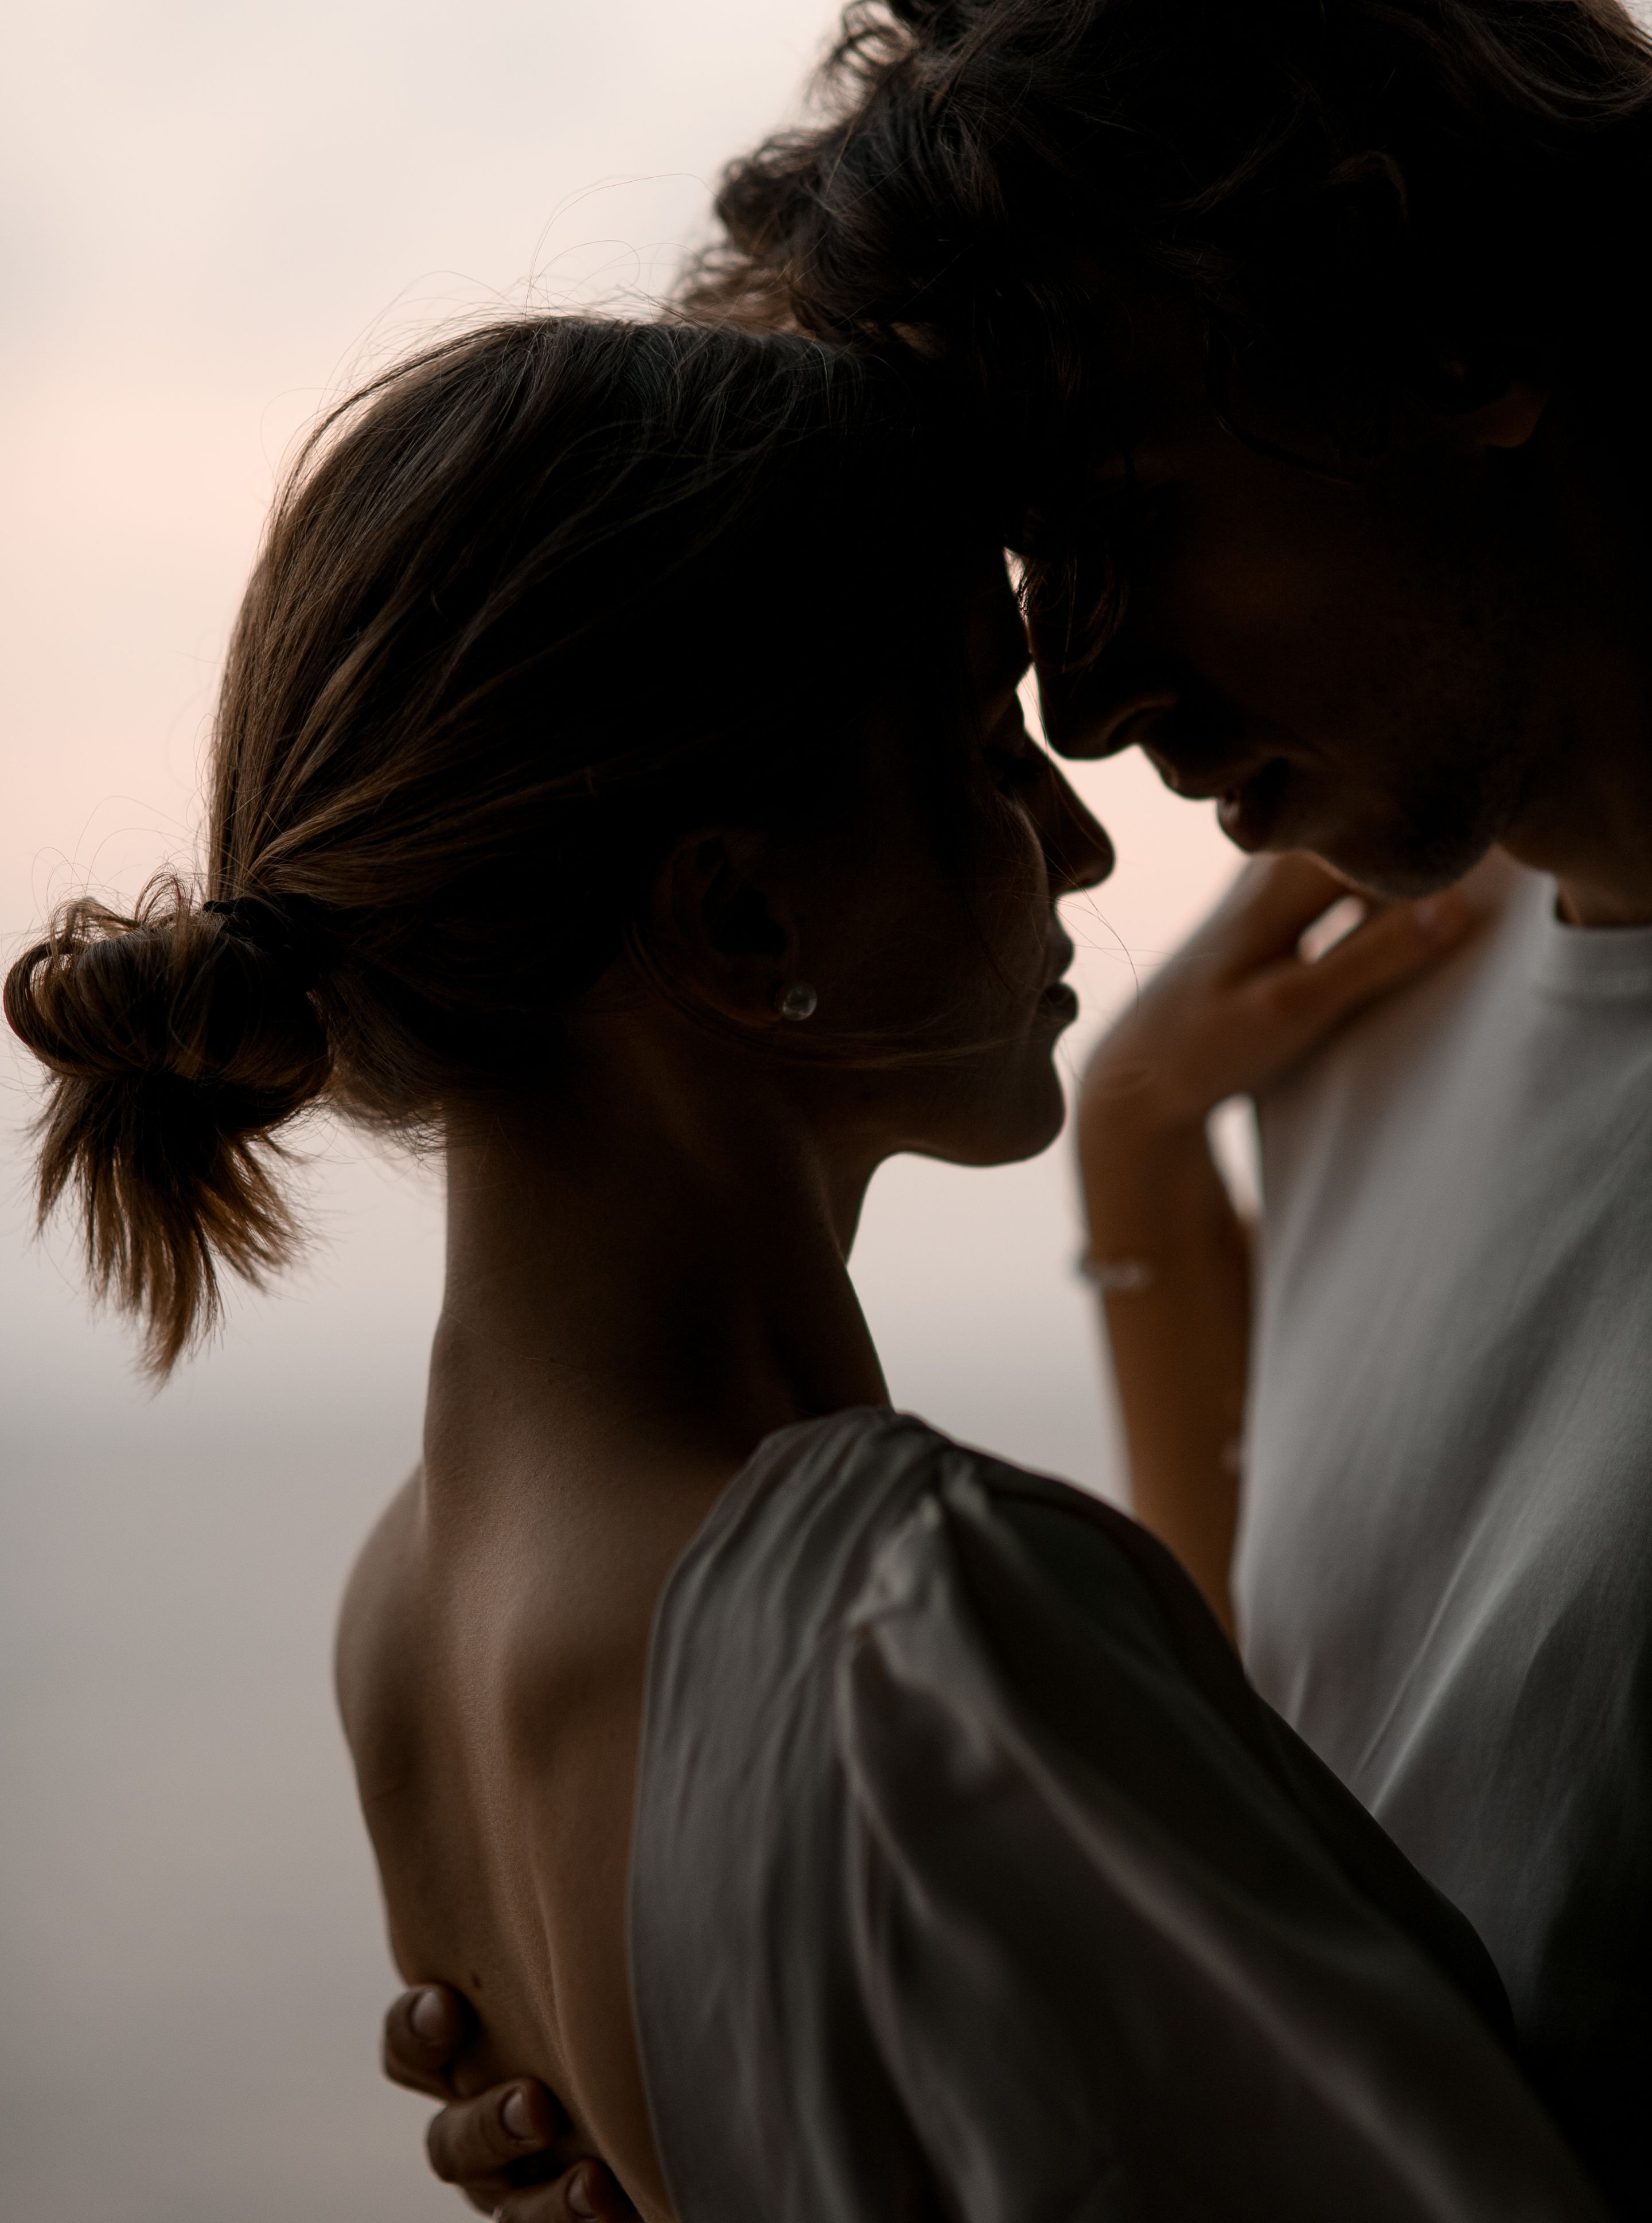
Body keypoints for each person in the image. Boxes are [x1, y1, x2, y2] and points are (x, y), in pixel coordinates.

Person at [394, 0, 1652, 2217]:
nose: (1076, 708)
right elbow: (1326, 1878)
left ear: (1454, 322)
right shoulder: (1349, 1046)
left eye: (1113, 510)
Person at [6, 315, 1604, 2221]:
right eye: (987, 747)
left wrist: (1152, 1172)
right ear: (741, 908)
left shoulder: (409, 1618)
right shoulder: (915, 1631)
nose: (1087, 839)